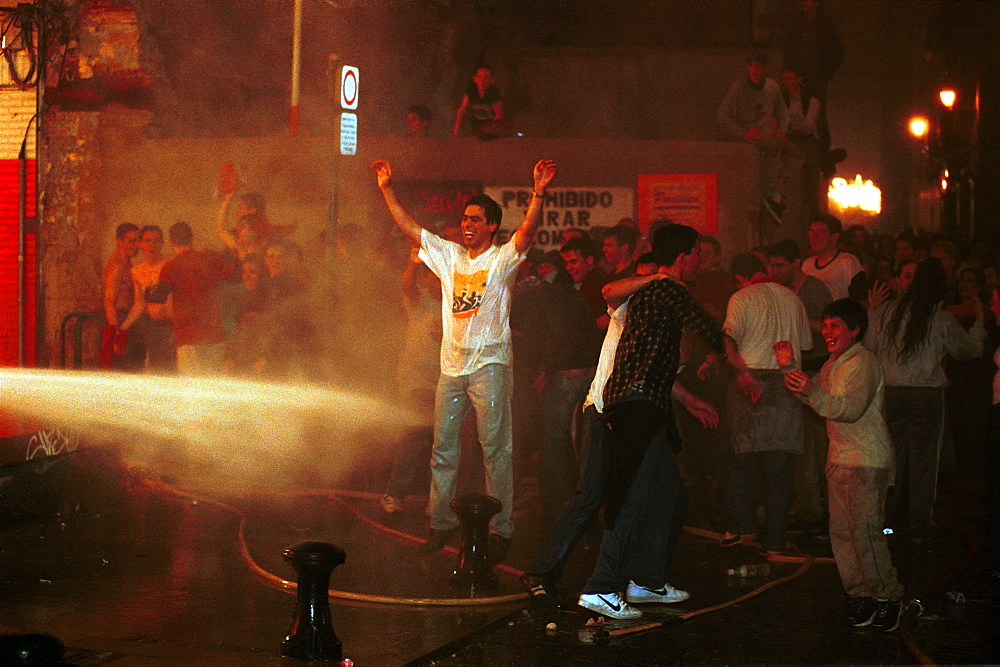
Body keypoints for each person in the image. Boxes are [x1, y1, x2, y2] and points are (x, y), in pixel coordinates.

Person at [371, 157, 558, 560]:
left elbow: (526, 234)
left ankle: (501, 527)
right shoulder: (450, 256)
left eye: (476, 219)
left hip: (489, 367)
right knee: (443, 449)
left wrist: (538, 193)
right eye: (465, 217)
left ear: (492, 225)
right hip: (450, 370)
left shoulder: (501, 258)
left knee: (496, 450)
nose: (467, 223)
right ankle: (440, 523)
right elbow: (410, 227)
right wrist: (387, 189)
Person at [576, 224, 760, 619]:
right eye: (696, 252)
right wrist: (741, 369)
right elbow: (708, 327)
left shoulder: (653, 291)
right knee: (634, 494)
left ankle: (647, 581)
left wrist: (689, 400)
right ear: (683, 257)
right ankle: (602, 587)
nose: (700, 259)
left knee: (667, 493)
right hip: (636, 404)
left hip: (643, 403)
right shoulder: (667, 287)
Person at [785, 298, 905, 632]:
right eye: (824, 326)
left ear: (855, 329)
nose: (827, 332)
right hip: (839, 460)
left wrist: (811, 391)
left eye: (835, 325)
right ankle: (862, 595)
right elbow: (817, 400)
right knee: (842, 535)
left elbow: (850, 409)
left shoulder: (863, 362)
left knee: (866, 534)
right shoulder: (832, 364)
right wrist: (792, 376)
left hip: (866, 462)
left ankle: (888, 599)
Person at [864, 258, 986, 543]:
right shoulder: (939, 317)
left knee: (890, 458)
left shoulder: (886, 312)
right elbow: (967, 350)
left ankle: (885, 523)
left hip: (891, 392)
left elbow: (869, 346)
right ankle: (919, 525)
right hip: (926, 394)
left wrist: (872, 312)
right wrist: (979, 322)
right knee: (924, 461)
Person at [718, 253, 812, 557]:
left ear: (741, 279)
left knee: (736, 461)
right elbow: (807, 345)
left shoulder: (741, 298)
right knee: (779, 468)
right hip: (788, 382)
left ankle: (745, 529)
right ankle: (774, 543)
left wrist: (741, 372)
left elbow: (728, 339)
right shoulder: (793, 299)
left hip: (752, 383)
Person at [381, 246, 442, 514]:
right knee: (412, 433)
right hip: (415, 380)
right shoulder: (420, 301)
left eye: (437, 278)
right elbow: (407, 287)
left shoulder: (454, 306)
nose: (432, 282)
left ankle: (438, 500)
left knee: (444, 440)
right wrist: (412, 263)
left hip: (445, 381)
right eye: (428, 277)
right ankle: (394, 494)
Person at [717, 52, 795, 225]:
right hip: (747, 141)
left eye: (758, 65)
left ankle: (775, 198)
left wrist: (781, 130)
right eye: (751, 65)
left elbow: (783, 113)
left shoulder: (772, 87)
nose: (754, 69)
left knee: (782, 155)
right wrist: (743, 134)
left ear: (766, 68)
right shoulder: (739, 89)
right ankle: (762, 203)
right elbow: (722, 117)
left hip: (767, 139)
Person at [156, 222, 239, 375]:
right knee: (213, 388)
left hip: (188, 336)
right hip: (214, 335)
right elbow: (237, 275)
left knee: (191, 390)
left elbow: (159, 296)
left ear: (170, 242)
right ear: (192, 238)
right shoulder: (210, 260)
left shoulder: (170, 267)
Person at [119, 225, 175, 372]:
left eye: (156, 240)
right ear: (141, 244)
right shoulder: (137, 270)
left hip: (171, 327)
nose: (152, 244)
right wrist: (122, 328)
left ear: (162, 243)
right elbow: (140, 303)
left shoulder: (170, 265)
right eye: (147, 241)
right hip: (151, 327)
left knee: (166, 370)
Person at [780, 66, 822, 213]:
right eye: (785, 80)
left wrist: (789, 125)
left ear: (799, 79)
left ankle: (811, 202)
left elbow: (808, 127)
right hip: (787, 139)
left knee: (811, 164)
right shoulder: (781, 100)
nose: (788, 83)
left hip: (806, 140)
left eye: (790, 79)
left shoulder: (811, 101)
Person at [102, 223, 142, 370]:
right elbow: (109, 301)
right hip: (118, 320)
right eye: (132, 241)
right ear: (119, 241)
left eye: (138, 241)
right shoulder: (117, 264)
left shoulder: (127, 262)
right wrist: (116, 335)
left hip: (126, 320)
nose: (136, 245)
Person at [801, 213, 866, 301]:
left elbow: (860, 300)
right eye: (812, 231)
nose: (814, 236)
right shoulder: (807, 265)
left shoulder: (848, 262)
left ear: (835, 236)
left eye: (821, 232)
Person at [560, 236, 610, 329]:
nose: (568, 268)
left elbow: (604, 322)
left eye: (573, 262)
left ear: (589, 260)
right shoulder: (600, 277)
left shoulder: (590, 285)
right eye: (566, 263)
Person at [452, 66, 504, 139]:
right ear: (475, 78)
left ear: (492, 80)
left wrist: (489, 131)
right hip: (475, 125)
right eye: (480, 76)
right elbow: (462, 109)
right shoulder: (471, 90)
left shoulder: (494, 92)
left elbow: (498, 115)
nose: (482, 80)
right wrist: (456, 130)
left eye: (486, 77)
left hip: (490, 127)